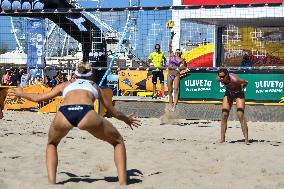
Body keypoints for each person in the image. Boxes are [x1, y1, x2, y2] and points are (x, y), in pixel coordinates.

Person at [12, 63, 141, 185]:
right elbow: (113, 112)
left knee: (52, 143)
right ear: (90, 74)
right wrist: (126, 119)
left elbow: (37, 98)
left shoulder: (65, 85)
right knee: (118, 141)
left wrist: (21, 93)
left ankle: (51, 183)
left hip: (64, 114)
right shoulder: (94, 86)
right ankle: (123, 184)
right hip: (86, 114)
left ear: (75, 74)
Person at [216, 68, 249, 144]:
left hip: (238, 93)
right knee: (224, 114)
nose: (221, 78)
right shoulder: (219, 79)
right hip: (229, 93)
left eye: (222, 76)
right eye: (219, 76)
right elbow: (218, 79)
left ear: (227, 75)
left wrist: (243, 86)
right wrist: (220, 78)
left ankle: (246, 139)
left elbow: (245, 82)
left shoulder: (234, 79)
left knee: (240, 114)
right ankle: (222, 139)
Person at [167, 31, 185, 111]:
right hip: (170, 73)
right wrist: (171, 37)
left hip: (176, 74)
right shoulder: (172, 55)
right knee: (170, 90)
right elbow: (170, 46)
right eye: (176, 50)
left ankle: (174, 105)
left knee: (176, 89)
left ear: (180, 53)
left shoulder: (181, 59)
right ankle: (170, 104)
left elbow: (184, 66)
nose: (177, 51)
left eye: (178, 51)